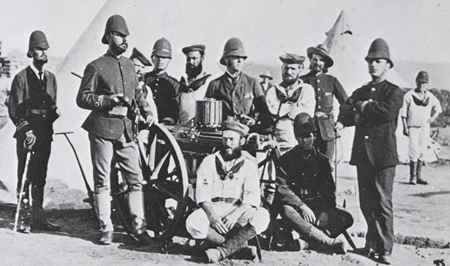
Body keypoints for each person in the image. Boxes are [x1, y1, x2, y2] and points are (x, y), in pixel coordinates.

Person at [76, 15, 155, 246]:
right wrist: (108, 100)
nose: (124, 40)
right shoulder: (96, 66)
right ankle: (106, 228)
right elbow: (82, 98)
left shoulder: (130, 65)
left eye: (126, 37)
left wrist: (146, 109)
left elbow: (139, 93)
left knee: (135, 179)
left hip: (126, 130)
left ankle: (139, 227)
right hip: (102, 129)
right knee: (102, 181)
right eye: (120, 36)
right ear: (109, 36)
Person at [339, 38, 404, 265]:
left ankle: (384, 249)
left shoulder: (395, 92)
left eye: (378, 61)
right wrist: (359, 112)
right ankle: (372, 244)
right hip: (363, 155)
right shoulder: (361, 90)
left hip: (383, 156)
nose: (373, 65)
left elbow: (386, 112)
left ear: (388, 65)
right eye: (370, 61)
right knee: (366, 203)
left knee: (383, 203)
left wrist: (364, 106)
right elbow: (344, 112)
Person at [185, 120, 270, 263]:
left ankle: (221, 251)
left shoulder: (249, 165)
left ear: (241, 141)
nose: (228, 143)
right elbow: (202, 194)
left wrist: (234, 215)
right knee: (193, 222)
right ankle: (238, 248)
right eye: (225, 139)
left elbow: (252, 198)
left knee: (263, 216)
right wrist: (212, 216)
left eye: (232, 139)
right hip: (214, 208)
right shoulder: (209, 161)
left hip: (238, 210)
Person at [275, 113, 352, 254]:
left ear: (314, 136)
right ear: (295, 137)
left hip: (318, 207)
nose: (304, 140)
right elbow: (282, 188)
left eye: (307, 136)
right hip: (298, 208)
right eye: (300, 136)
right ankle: (327, 242)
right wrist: (301, 206)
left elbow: (329, 190)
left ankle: (307, 244)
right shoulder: (286, 160)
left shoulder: (322, 161)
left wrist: (325, 211)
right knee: (287, 211)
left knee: (346, 218)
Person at [8, 30, 61, 233]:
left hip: (45, 133)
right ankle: (23, 218)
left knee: (40, 175)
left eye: (45, 49)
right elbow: (15, 109)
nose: (43, 53)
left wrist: (54, 115)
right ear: (31, 52)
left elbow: (52, 105)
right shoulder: (20, 78)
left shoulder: (51, 78)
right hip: (27, 134)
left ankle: (38, 218)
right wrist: (27, 131)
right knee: (25, 175)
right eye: (39, 49)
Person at [205, 37, 272, 133]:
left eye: (242, 58)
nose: (240, 60)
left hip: (245, 135)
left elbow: (266, 116)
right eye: (236, 57)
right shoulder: (215, 85)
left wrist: (254, 122)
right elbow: (207, 116)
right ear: (226, 59)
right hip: (222, 136)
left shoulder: (252, 83)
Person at [301, 44, 348, 166]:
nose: (318, 63)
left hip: (328, 131)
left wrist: (341, 121)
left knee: (326, 167)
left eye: (321, 60)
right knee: (307, 166)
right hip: (307, 131)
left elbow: (346, 103)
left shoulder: (332, 81)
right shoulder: (302, 81)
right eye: (315, 59)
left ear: (325, 64)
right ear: (310, 60)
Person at [265, 53, 316, 153]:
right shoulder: (272, 91)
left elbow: (304, 116)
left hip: (297, 143)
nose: (288, 72)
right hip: (275, 143)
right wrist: (293, 107)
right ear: (282, 68)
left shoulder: (306, 90)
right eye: (286, 68)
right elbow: (269, 114)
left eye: (293, 69)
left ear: (300, 69)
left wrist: (281, 110)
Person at [401, 71, 442, 185]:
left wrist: (432, 118)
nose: (421, 85)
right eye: (420, 82)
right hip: (413, 127)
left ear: (426, 84)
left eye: (424, 83)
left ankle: (419, 176)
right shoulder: (409, 95)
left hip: (424, 127)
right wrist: (405, 127)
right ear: (416, 82)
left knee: (422, 150)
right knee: (413, 150)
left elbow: (438, 108)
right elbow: (403, 113)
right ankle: (412, 177)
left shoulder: (429, 96)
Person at [144, 38, 180, 125]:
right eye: (157, 57)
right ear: (152, 58)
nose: (160, 60)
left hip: (164, 127)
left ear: (169, 60)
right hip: (144, 122)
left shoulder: (174, 84)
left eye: (164, 57)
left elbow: (175, 108)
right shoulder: (144, 78)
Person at [178, 44, 212, 124]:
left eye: (194, 58)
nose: (191, 62)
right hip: (182, 127)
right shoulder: (183, 82)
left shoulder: (209, 82)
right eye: (188, 59)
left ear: (202, 59)